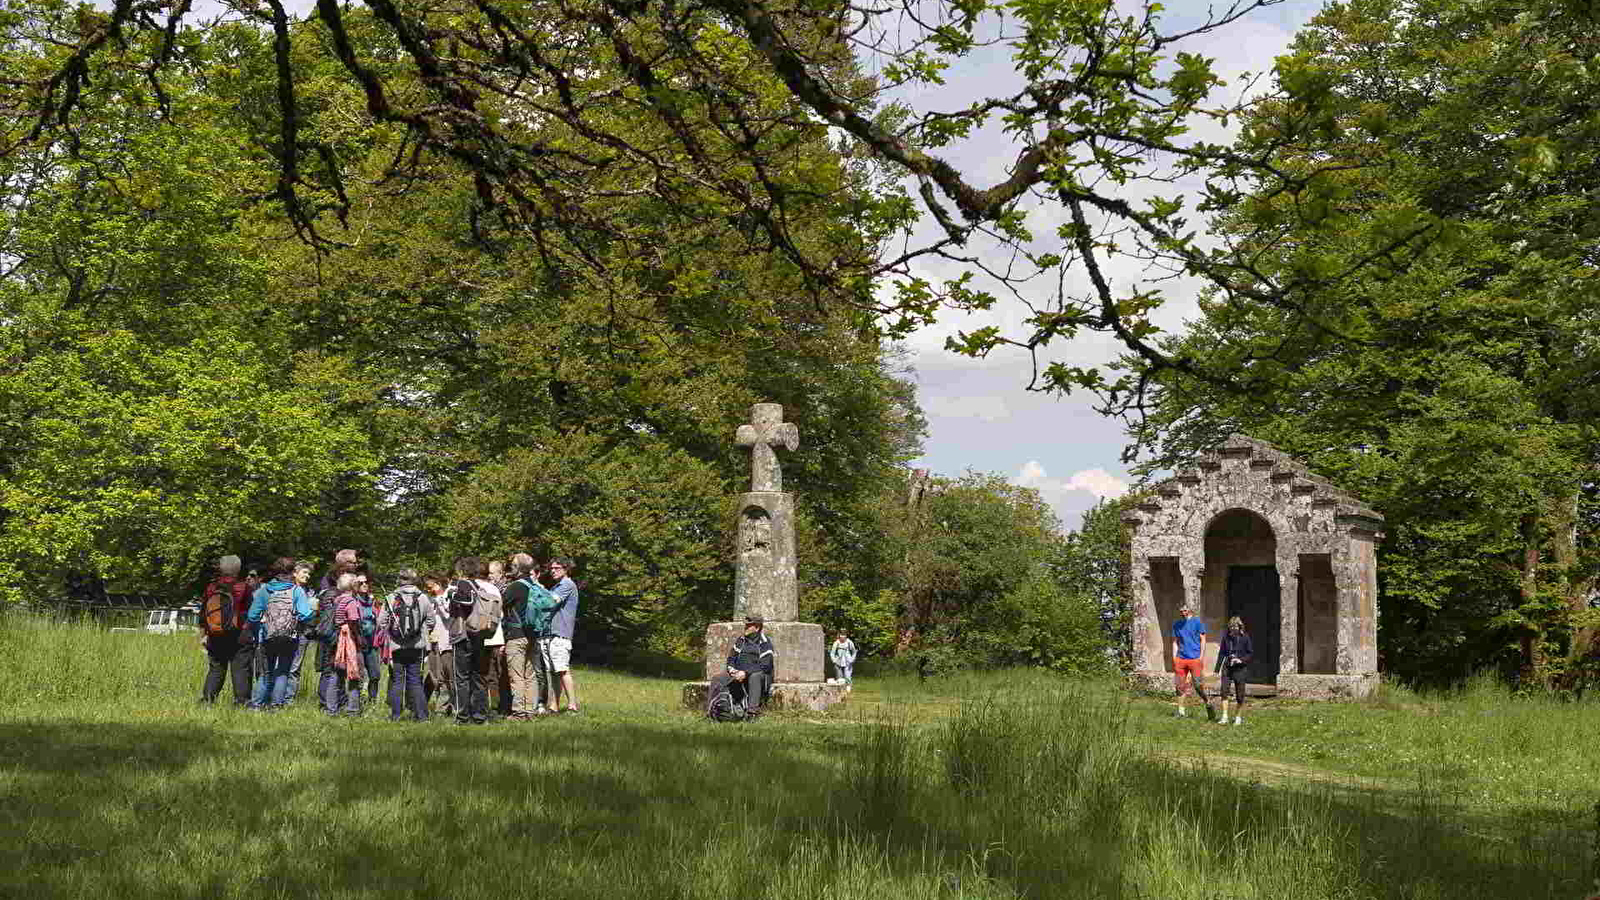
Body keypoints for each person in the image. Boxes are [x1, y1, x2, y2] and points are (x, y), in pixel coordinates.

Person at [246, 557, 315, 710]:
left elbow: (252, 616)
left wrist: (262, 627)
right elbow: (306, 614)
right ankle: (276, 706)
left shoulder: (265, 591)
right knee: (283, 671)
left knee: (266, 673)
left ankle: (257, 705)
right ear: (292, 572)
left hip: (267, 637)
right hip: (289, 637)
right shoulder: (296, 591)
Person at [379, 568, 437, 722]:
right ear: (415, 580)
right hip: (417, 646)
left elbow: (381, 622)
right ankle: (422, 716)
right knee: (416, 681)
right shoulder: (423, 598)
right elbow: (432, 621)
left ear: (400, 579)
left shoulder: (391, 598)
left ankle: (396, 716)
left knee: (398, 681)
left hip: (396, 647)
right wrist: (420, 630)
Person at [449, 557, 501, 725]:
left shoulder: (463, 585)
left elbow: (453, 608)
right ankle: (480, 716)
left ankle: (462, 717)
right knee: (480, 677)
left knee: (461, 678)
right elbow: (499, 614)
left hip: (463, 635)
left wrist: (450, 595)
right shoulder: (493, 589)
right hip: (484, 636)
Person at [197, 554, 253, 705]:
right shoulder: (244, 587)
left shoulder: (211, 587)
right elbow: (251, 612)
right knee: (240, 669)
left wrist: (203, 634)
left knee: (216, 668)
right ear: (238, 568)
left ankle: (208, 700)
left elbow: (203, 614)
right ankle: (242, 702)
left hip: (215, 634)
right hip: (239, 635)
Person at [499, 553, 540, 720]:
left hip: (516, 636)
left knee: (516, 676)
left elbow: (501, 604)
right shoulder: (535, 586)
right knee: (530, 675)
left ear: (518, 568)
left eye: (513, 566)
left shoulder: (515, 586)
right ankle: (530, 711)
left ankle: (518, 713)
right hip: (533, 635)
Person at [320, 571, 365, 716]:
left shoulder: (338, 599)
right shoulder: (350, 601)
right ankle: (353, 709)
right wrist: (359, 637)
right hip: (348, 641)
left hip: (337, 639)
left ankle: (331, 708)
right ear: (353, 586)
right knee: (353, 673)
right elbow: (353, 620)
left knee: (336, 674)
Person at [546, 557, 581, 713]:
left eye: (557, 568)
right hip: (552, 633)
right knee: (554, 672)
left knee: (562, 670)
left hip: (561, 633)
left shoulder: (566, 584)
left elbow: (551, 601)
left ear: (566, 569)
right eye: (551, 568)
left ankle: (572, 706)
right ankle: (554, 705)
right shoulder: (556, 586)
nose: (553, 571)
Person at [726, 614, 774, 717]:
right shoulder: (741, 640)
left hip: (757, 675)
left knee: (755, 676)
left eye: (749, 626)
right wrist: (732, 670)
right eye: (745, 625)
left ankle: (752, 712)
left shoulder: (764, 642)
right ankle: (712, 710)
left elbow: (765, 665)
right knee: (717, 678)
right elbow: (731, 658)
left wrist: (746, 673)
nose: (745, 627)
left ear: (757, 628)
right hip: (738, 673)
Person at [422, 573, 456, 716]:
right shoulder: (431, 599)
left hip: (447, 641)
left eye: (432, 586)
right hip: (434, 641)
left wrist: (439, 599)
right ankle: (436, 707)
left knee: (449, 676)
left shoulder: (450, 594)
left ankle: (449, 707)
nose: (430, 590)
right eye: (428, 588)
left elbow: (448, 615)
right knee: (435, 675)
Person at [283, 561, 315, 704]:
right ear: (295, 573)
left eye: (309, 573)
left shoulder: (310, 592)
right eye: (304, 572)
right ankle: (276, 697)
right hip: (285, 631)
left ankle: (288, 699)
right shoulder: (286, 589)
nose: (307, 576)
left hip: (303, 633)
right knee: (281, 664)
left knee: (295, 667)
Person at [1172, 603, 1211, 719]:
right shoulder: (1177, 625)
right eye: (1181, 610)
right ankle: (1181, 711)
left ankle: (1207, 702)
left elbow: (1203, 639)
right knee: (1179, 686)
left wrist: (1201, 657)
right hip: (1181, 658)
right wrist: (1174, 658)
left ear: (1190, 610)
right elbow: (1174, 642)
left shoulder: (1197, 623)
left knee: (1198, 685)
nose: (1182, 611)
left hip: (1194, 658)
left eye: (1184, 609)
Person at [483, 559, 510, 718]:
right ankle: (495, 707)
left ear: (500, 574)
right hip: (491, 637)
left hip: (500, 638)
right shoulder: (490, 588)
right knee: (491, 675)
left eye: (492, 574)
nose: (490, 577)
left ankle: (504, 707)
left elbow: (505, 616)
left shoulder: (505, 590)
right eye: (488, 574)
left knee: (502, 675)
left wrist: (505, 640)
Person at [1215, 616, 1253, 726]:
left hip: (1240, 669)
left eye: (1235, 626)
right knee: (1224, 691)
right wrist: (1217, 670)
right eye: (1231, 627)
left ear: (1239, 626)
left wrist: (1240, 660)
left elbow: (1250, 653)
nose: (1233, 629)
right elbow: (1222, 653)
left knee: (1240, 695)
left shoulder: (1245, 638)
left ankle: (1238, 717)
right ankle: (1225, 716)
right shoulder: (1226, 637)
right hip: (1227, 667)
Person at [354, 573, 382, 707]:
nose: (364, 584)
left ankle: (372, 703)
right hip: (358, 644)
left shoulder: (373, 602)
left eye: (366, 582)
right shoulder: (353, 601)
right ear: (355, 586)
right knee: (358, 675)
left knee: (375, 675)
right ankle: (356, 703)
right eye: (361, 583)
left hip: (372, 644)